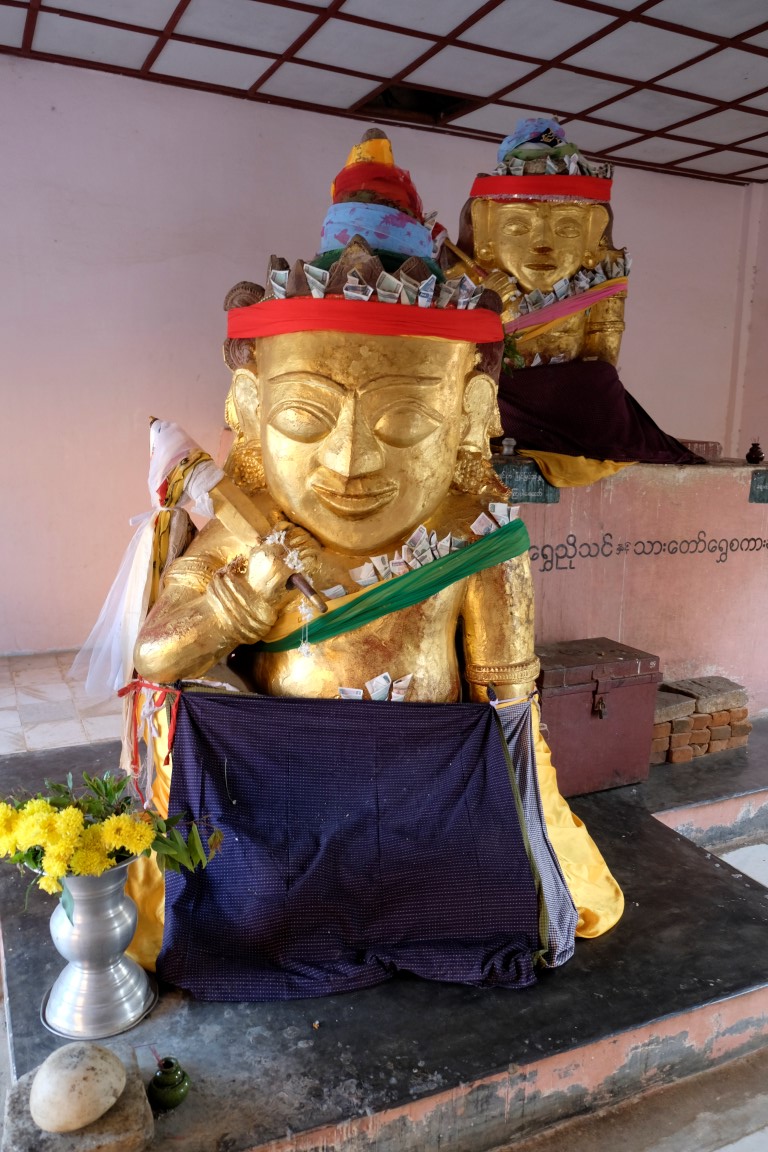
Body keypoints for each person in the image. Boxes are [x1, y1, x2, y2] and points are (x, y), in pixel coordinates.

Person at [129, 131, 623, 972]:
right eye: (305, 418)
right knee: (263, 901)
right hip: (285, 785)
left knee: (437, 890)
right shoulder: (250, 527)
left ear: (469, 414)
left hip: (423, 795)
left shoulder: (481, 538)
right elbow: (156, 655)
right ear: (248, 407)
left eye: (404, 421)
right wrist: (235, 604)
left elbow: (511, 720)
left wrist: (541, 863)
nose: (351, 461)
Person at [444, 118, 702, 483]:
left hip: (578, 408)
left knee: (597, 384)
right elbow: (455, 362)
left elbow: (600, 366)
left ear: (591, 236)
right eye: (517, 227)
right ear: (485, 231)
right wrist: (491, 308)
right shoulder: (466, 281)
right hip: (497, 401)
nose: (542, 244)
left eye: (567, 228)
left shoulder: (602, 281)